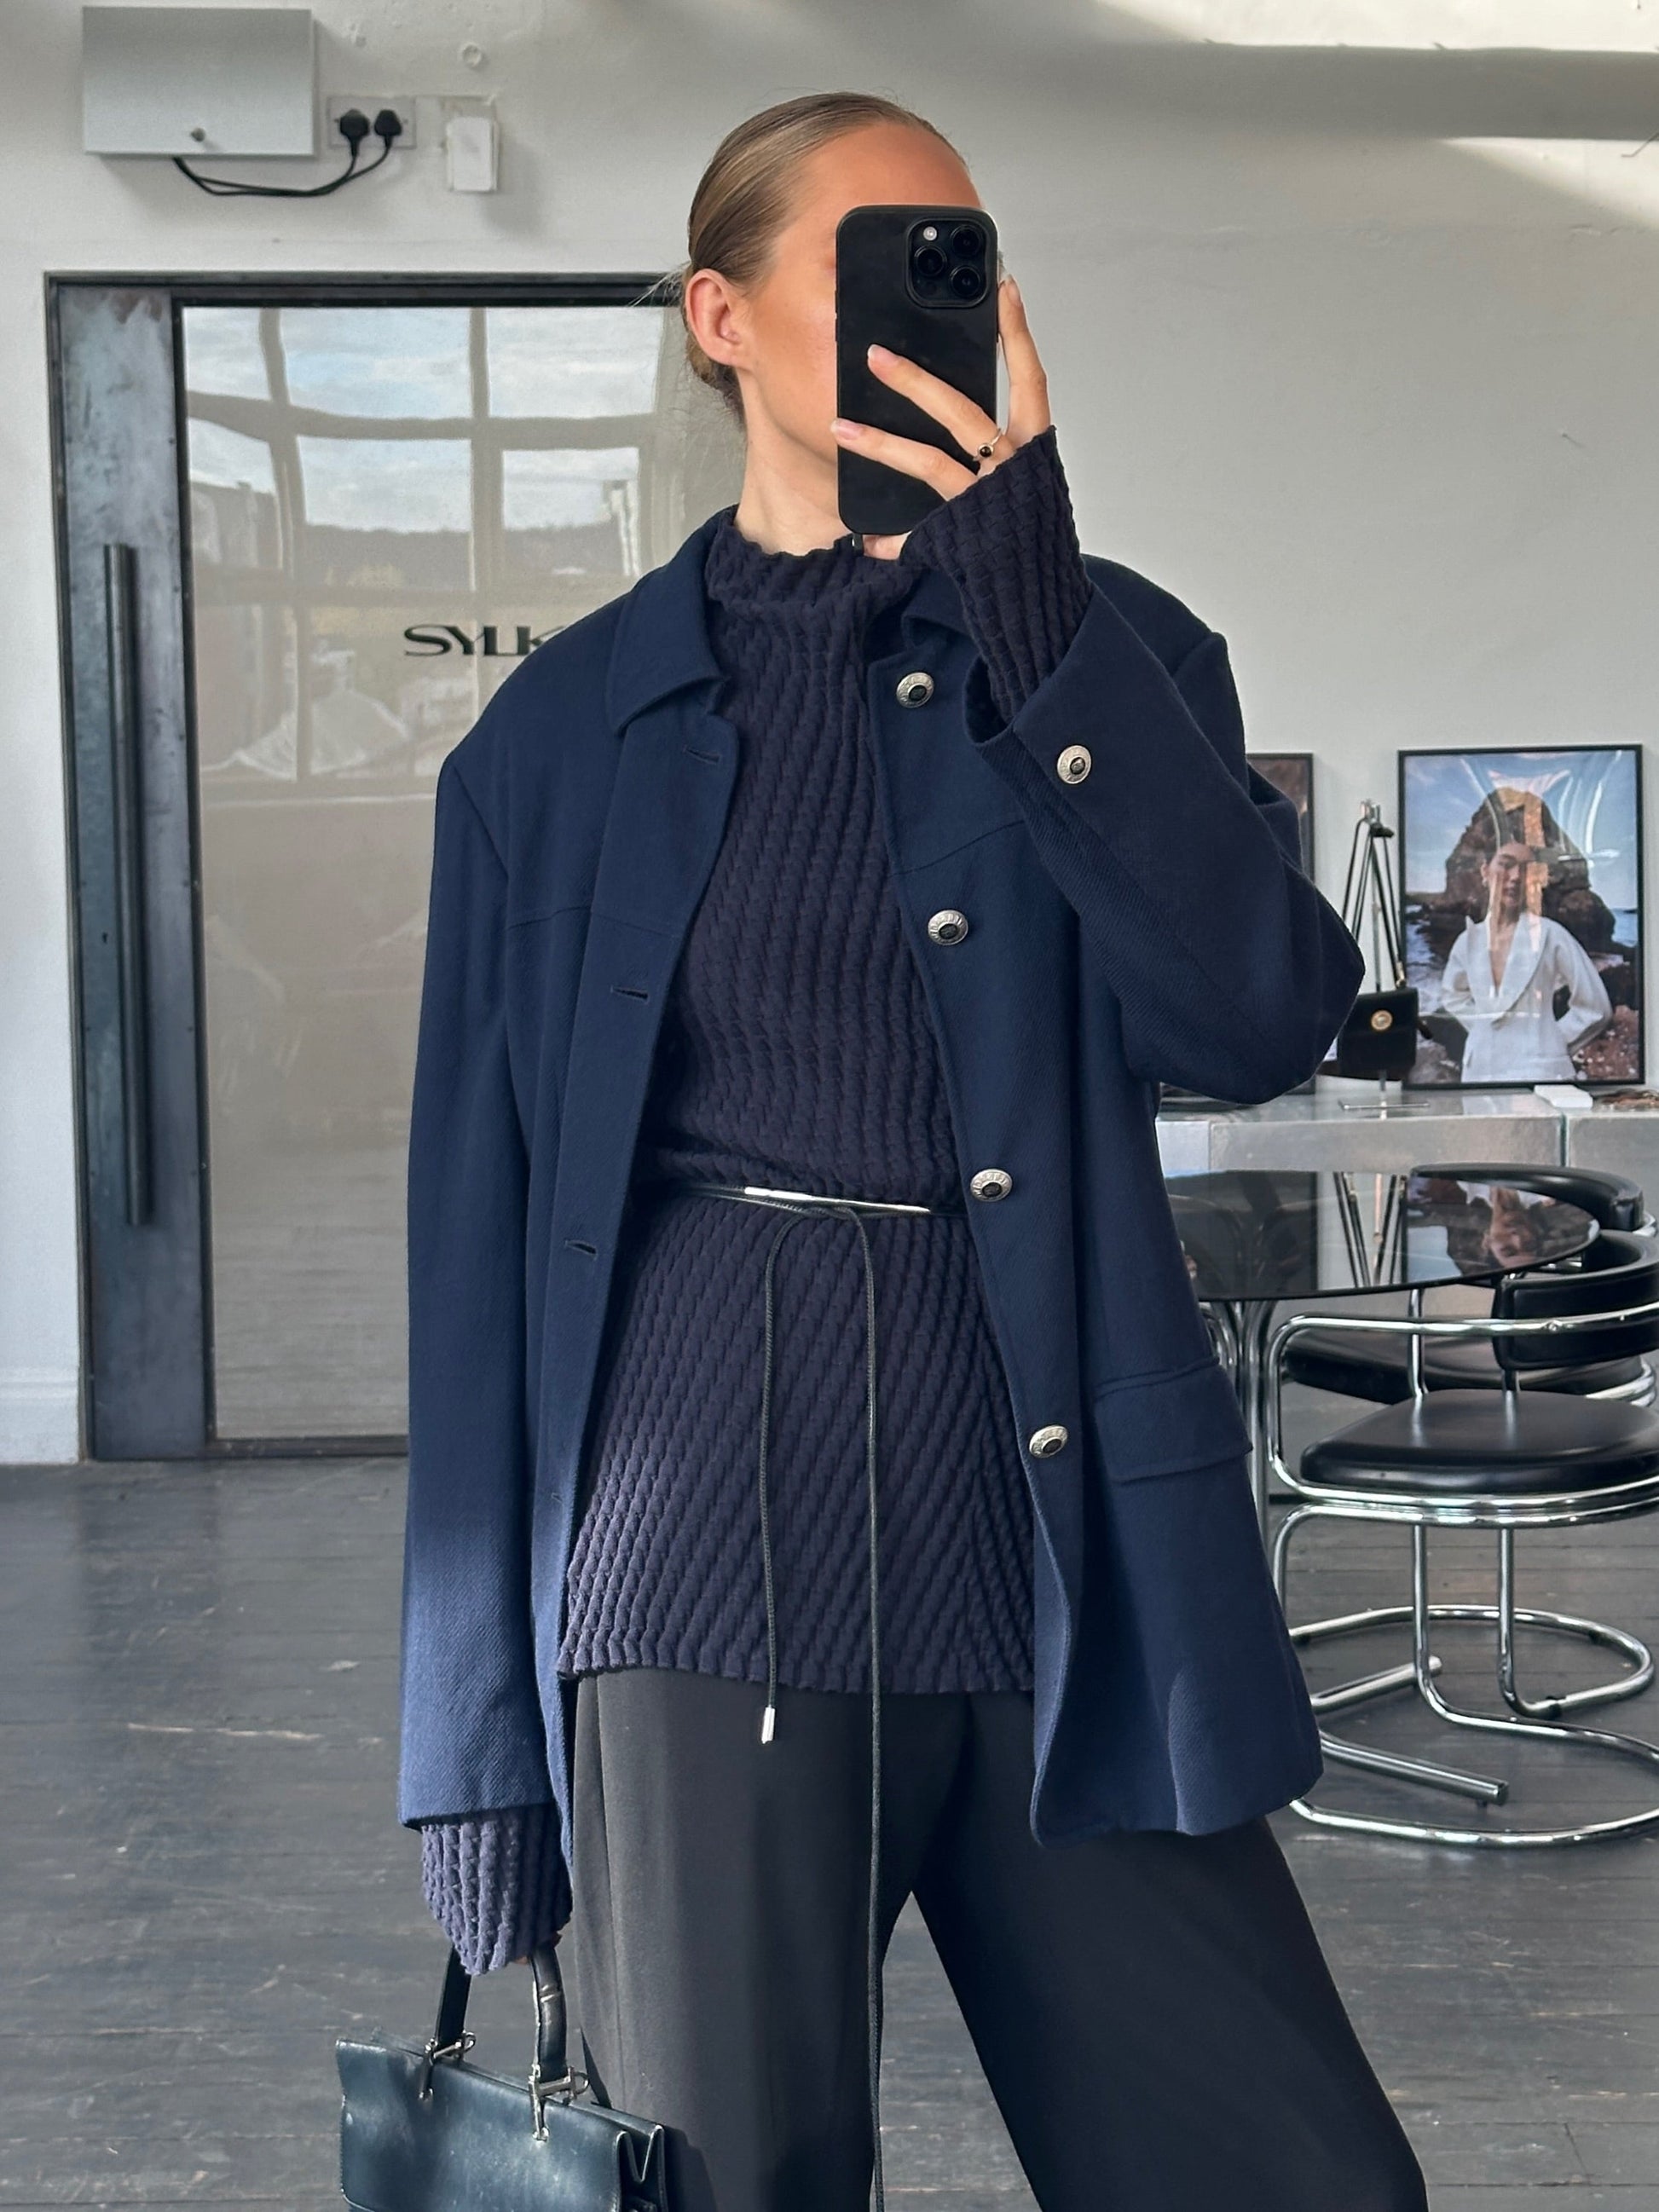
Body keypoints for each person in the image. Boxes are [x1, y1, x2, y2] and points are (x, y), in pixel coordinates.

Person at [401, 90, 1425, 2212]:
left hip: (1064, 1553)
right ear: (720, 317)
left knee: (1292, 2172)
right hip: (697, 1574)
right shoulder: (551, 743)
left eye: (960, 263)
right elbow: (473, 1260)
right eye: (875, 262)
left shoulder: (1112, 655)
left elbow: (1256, 1017)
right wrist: (472, 1734)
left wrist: (1033, 615)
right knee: (729, 2179)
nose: (927, 308)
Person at [1435, 839, 1612, 1083]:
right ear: (1485, 871)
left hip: (1541, 1074)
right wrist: (1483, 1028)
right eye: (1506, 864)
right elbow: (1453, 995)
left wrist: (1552, 1040)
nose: (1516, 876)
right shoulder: (1468, 941)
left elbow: (1595, 1007)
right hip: (1480, 1071)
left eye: (1526, 869)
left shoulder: (1551, 934)